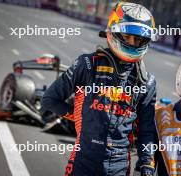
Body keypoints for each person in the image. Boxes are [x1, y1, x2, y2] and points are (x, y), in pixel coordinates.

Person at [41, 2, 157, 176]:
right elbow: (49, 100)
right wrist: (79, 117)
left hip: (119, 166)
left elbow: (147, 129)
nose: (133, 43)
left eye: (138, 39)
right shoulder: (88, 64)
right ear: (114, 32)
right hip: (83, 160)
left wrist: (147, 162)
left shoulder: (147, 81)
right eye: (127, 36)